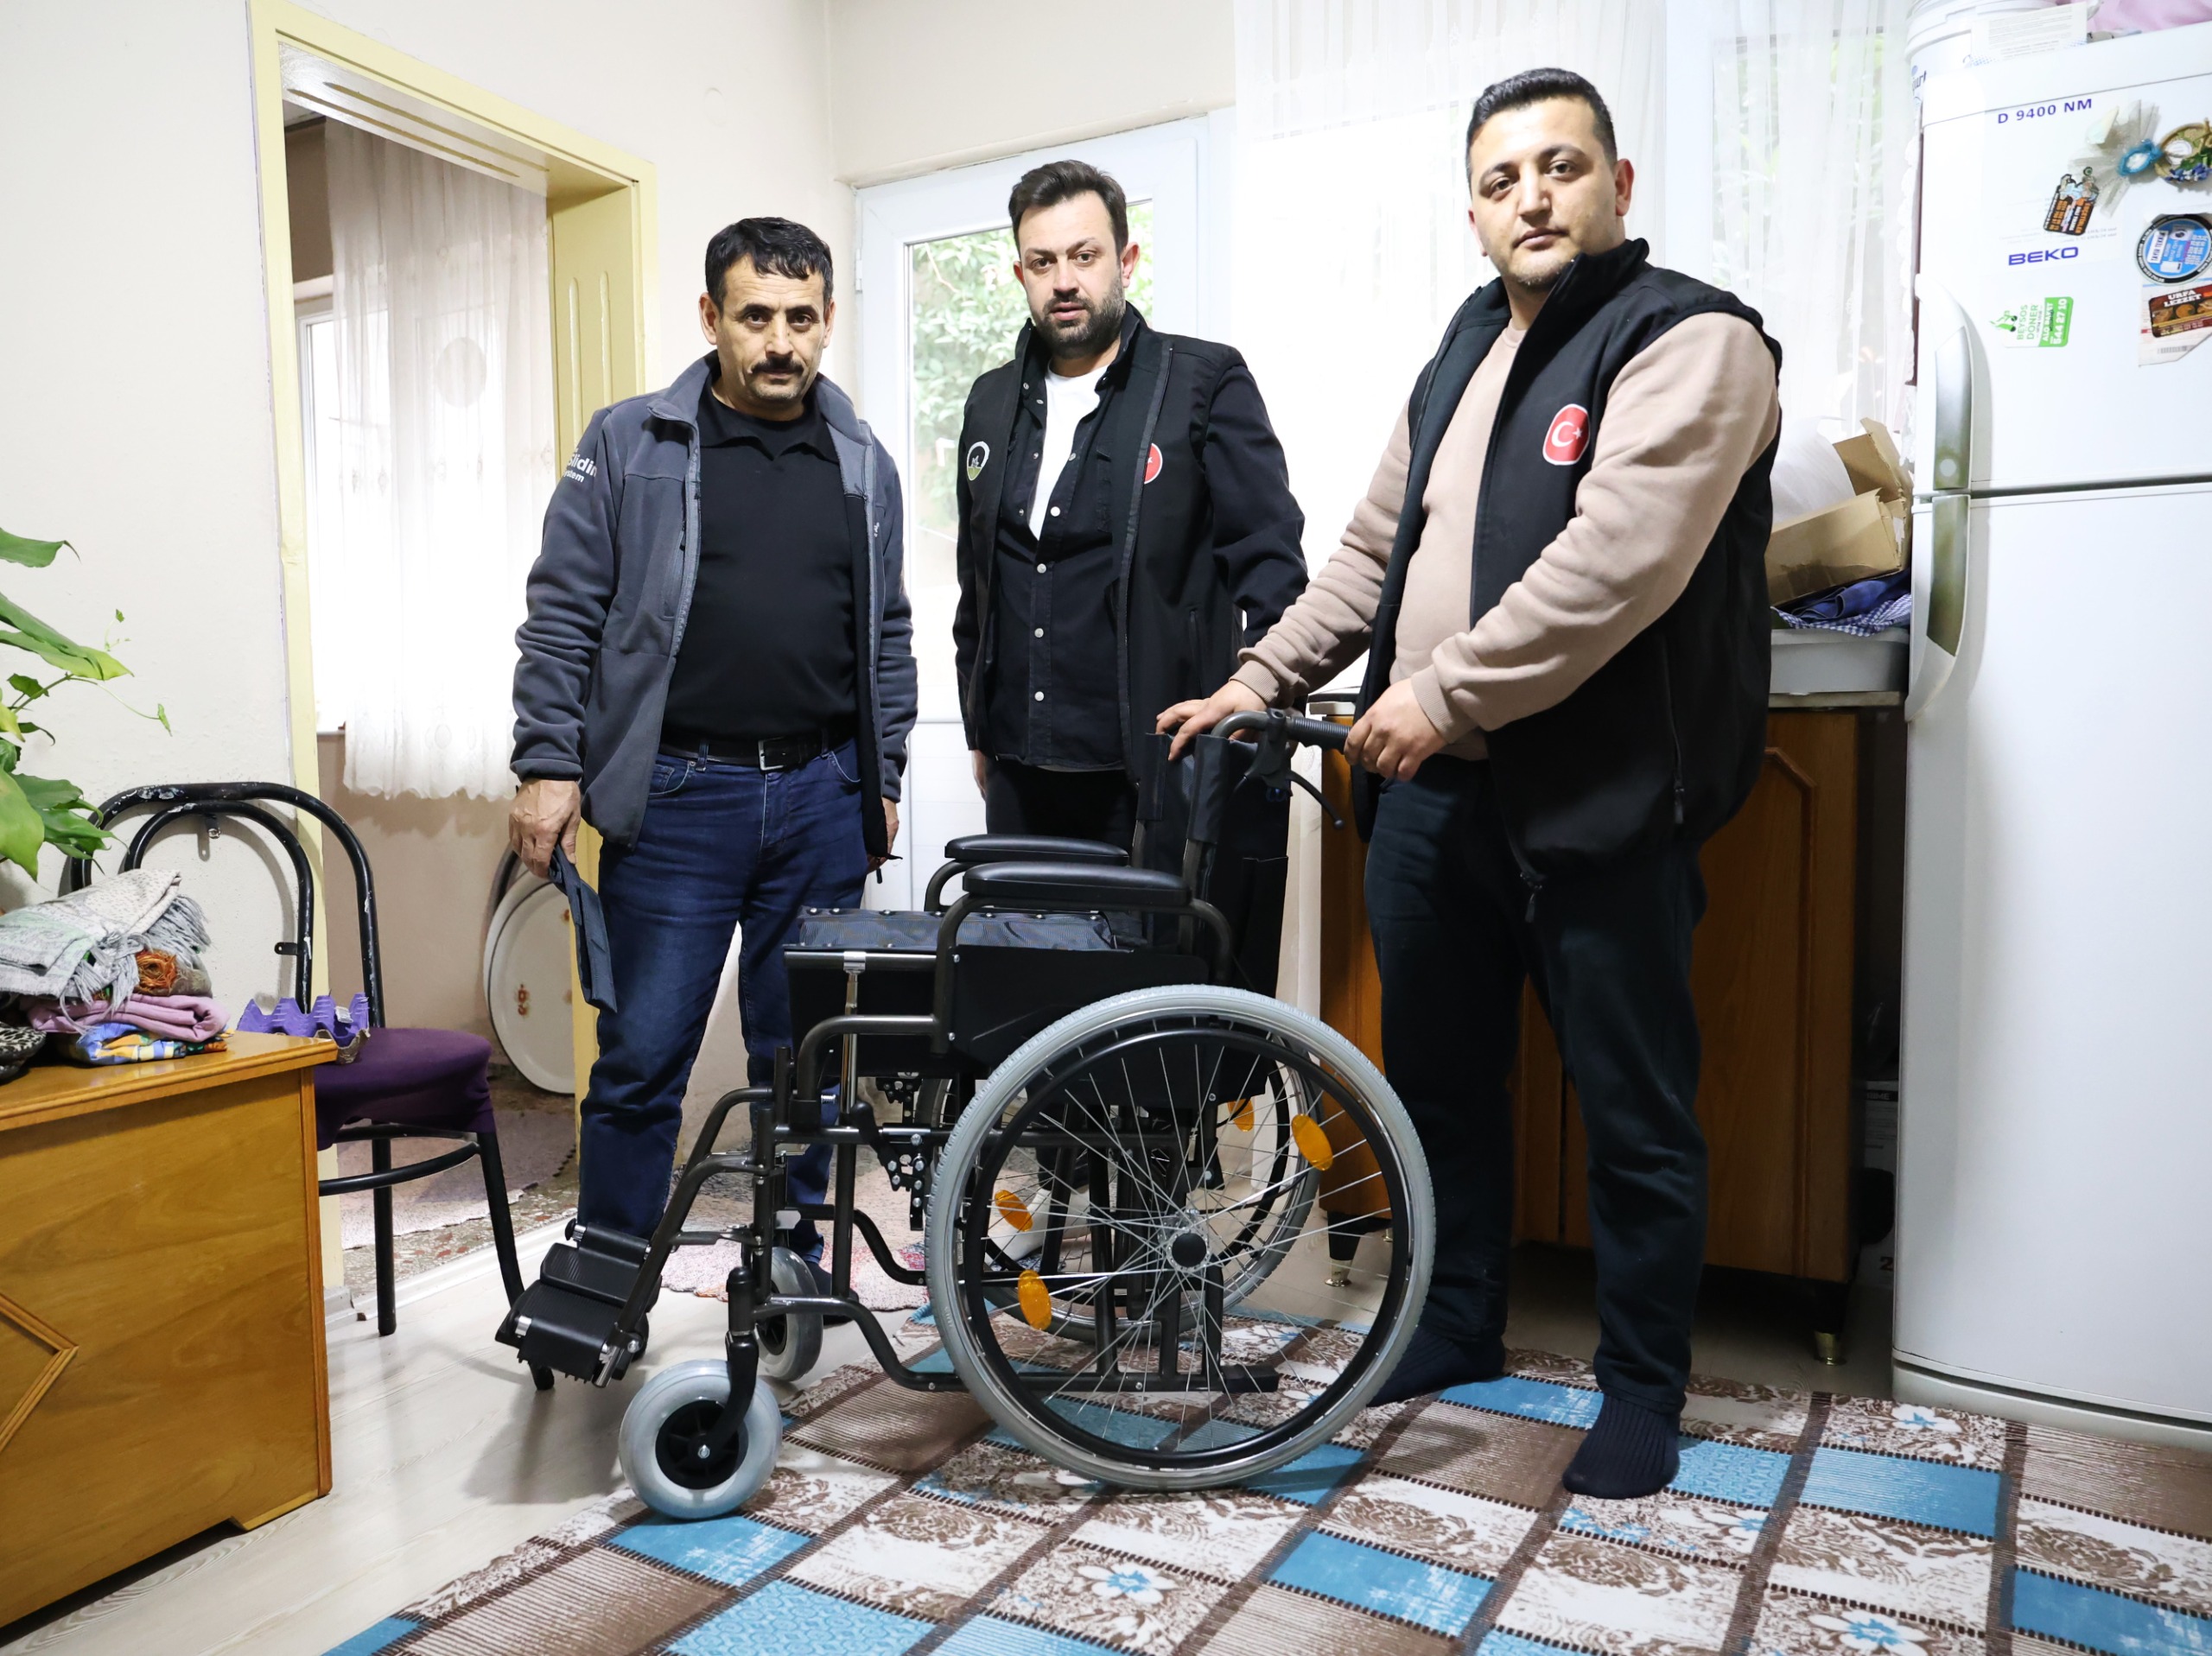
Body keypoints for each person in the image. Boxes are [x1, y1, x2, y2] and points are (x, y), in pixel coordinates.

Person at [1161, 69, 1782, 1500]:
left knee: (1634, 1111)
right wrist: (1259, 675)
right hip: (1436, 798)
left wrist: (1440, 691)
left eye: (1562, 167)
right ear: (1474, 212)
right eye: (1503, 180)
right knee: (1438, 1084)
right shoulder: (1460, 345)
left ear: (1620, 185)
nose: (1533, 198)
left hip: (1599, 795)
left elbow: (1619, 559)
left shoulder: (1694, 339)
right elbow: (1372, 551)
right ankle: (1455, 1321)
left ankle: (1643, 1386)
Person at [509, 217, 915, 1272]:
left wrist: (883, 775)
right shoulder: (629, 442)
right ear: (710, 317)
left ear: (828, 320)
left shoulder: (863, 460)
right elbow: (562, 614)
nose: (780, 342)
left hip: (824, 797)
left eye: (801, 319)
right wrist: (548, 763)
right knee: (642, 1056)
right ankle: (609, 1268)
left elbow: (887, 631)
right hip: (677, 797)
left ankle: (788, 1260)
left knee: (807, 1058)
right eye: (755, 317)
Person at [952, 160, 1307, 848]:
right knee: (1019, 926)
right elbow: (978, 584)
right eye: (1043, 261)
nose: (1064, 280)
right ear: (1020, 273)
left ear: (1127, 260)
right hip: (1020, 774)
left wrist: (1258, 703)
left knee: (1163, 928)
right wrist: (979, 726)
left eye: (1084, 256)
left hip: (1159, 768)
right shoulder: (989, 403)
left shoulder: (1204, 382)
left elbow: (1273, 568)